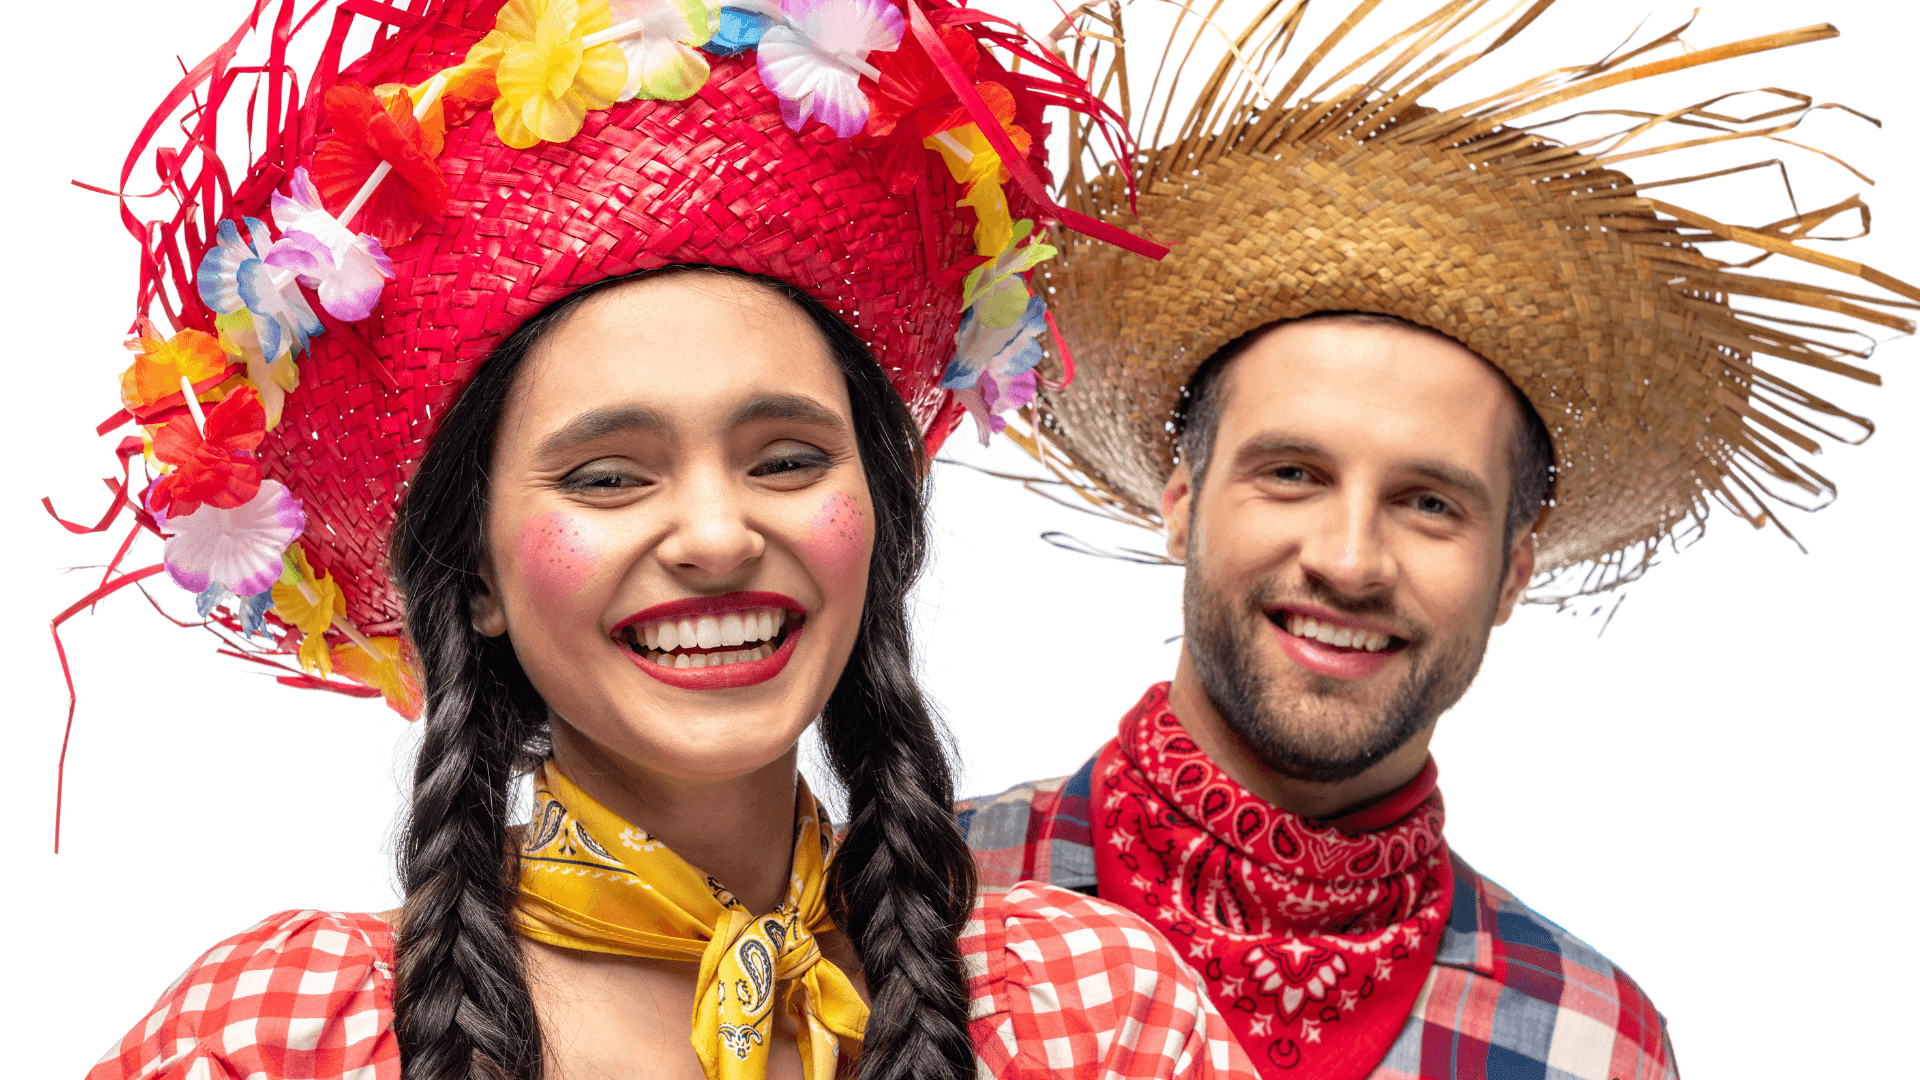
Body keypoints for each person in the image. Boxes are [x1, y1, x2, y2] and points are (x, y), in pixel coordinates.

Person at [62, 0, 1257, 1077]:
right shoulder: (278, 1040)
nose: (717, 534)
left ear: (880, 521)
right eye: (608, 476)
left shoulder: (1092, 1019)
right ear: (474, 571)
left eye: (787, 460)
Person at [959, 2, 1920, 1079]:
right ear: (1184, 497)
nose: (1352, 558)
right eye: (1292, 474)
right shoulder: (901, 907)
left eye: (1431, 503)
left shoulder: (1593, 1046)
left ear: (1513, 568)